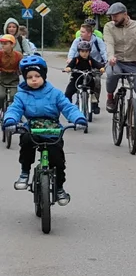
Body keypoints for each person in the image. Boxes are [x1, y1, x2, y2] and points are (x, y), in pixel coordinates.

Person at [2, 55, 87, 205]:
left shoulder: (55, 93)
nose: (34, 79)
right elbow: (14, 109)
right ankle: (25, 171)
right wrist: (10, 120)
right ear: (25, 78)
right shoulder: (21, 95)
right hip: (32, 128)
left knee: (58, 161)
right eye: (29, 77)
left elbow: (68, 107)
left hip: (52, 129)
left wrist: (78, 119)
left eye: (37, 76)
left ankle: (60, 188)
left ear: (44, 76)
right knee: (26, 142)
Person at [103, 2, 136, 133]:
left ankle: (135, 121)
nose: (113, 19)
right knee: (113, 74)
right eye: (111, 16)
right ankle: (110, 97)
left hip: (134, 64)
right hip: (116, 62)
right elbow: (109, 43)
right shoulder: (109, 27)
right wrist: (111, 57)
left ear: (125, 14)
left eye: (116, 16)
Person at [63, 42, 104, 114]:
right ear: (79, 51)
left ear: (89, 52)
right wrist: (68, 68)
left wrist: (101, 68)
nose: (84, 53)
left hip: (88, 79)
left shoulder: (90, 60)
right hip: (76, 79)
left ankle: (94, 104)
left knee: (94, 87)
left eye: (86, 51)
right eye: (82, 51)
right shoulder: (76, 59)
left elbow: (97, 64)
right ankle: (69, 109)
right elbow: (70, 65)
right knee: (68, 93)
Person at [0, 34, 22, 111]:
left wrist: (21, 72)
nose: (3, 46)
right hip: (2, 78)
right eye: (2, 44)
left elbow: (21, 67)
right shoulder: (0, 54)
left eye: (5, 44)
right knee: (1, 95)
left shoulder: (18, 55)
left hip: (13, 79)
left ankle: (13, 111)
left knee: (14, 96)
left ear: (12, 44)